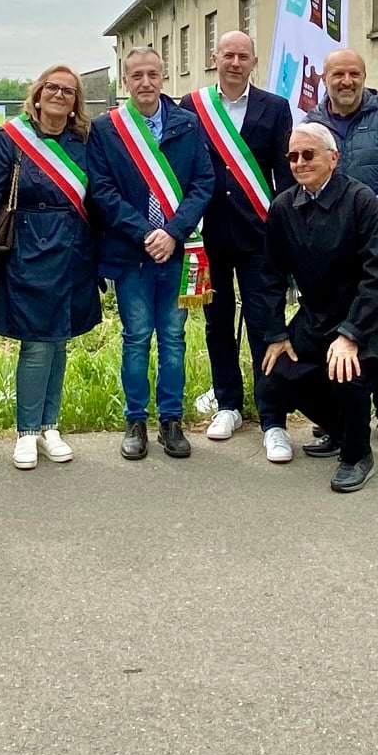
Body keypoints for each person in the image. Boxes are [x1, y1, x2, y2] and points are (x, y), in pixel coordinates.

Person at [0, 65, 104, 470]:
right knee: (37, 341)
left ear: (76, 101)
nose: (60, 95)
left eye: (69, 90)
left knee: (59, 339)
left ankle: (50, 427)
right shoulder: (9, 139)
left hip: (75, 248)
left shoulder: (85, 141)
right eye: (53, 87)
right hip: (27, 248)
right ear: (38, 93)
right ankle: (26, 431)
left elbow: (98, 196)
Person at [257, 123, 378, 492]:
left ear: (333, 158)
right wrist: (275, 333)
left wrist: (351, 335)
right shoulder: (283, 207)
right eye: (292, 156)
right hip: (314, 316)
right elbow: (270, 276)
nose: (299, 162)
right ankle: (339, 430)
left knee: (346, 371)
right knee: (276, 373)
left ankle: (357, 455)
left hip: (363, 319)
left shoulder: (361, 200)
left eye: (309, 154)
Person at [90, 47, 215, 461]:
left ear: (163, 78)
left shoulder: (188, 124)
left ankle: (171, 419)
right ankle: (135, 420)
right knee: (136, 338)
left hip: (176, 252)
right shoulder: (107, 129)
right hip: (132, 254)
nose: (145, 82)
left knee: (175, 339)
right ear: (125, 82)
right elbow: (102, 190)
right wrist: (147, 233)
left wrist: (173, 232)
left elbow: (203, 182)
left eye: (153, 74)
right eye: (136, 75)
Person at [306, 49, 378, 449]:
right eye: (338, 74)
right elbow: (302, 179)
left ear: (364, 77)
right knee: (334, 332)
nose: (346, 81)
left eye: (354, 73)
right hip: (330, 253)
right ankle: (337, 417)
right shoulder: (311, 124)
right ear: (325, 79)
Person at [187, 30, 294, 454]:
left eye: (243, 56)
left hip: (258, 234)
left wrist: (287, 231)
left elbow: (284, 176)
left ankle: (273, 418)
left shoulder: (276, 107)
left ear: (253, 62)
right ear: (215, 58)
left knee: (265, 321)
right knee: (216, 323)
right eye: (228, 55)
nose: (234, 62)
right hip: (209, 234)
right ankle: (228, 403)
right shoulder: (193, 107)